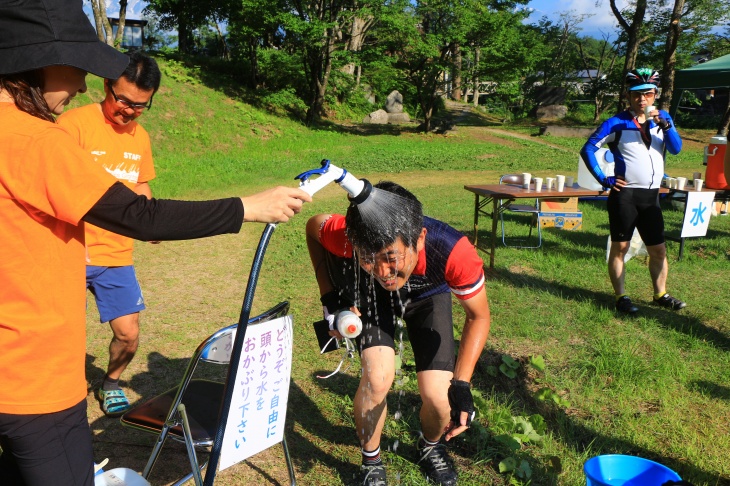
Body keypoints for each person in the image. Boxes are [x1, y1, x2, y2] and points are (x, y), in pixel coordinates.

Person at [0, 0, 311, 484]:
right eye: (79, 68)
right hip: (31, 378)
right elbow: (140, 215)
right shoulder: (37, 140)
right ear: (37, 58)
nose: (83, 84)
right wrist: (247, 207)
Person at [305, 181, 491, 486]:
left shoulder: (454, 251)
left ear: (419, 239)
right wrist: (329, 296)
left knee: (438, 396)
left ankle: (430, 446)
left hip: (428, 298)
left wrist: (461, 383)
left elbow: (479, 316)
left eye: (391, 258)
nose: (382, 272)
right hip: (373, 301)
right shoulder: (350, 235)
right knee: (377, 380)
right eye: (368, 259)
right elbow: (314, 228)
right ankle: (371, 459)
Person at [57, 51, 162, 417]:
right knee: (59, 334)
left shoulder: (141, 137)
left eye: (139, 106)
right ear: (106, 85)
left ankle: (112, 382)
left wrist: (151, 222)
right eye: (122, 100)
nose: (128, 111)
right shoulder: (72, 125)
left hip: (115, 254)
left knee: (129, 334)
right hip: (67, 249)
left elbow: (141, 184)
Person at [580, 68, 686, 315]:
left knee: (658, 249)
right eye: (637, 94)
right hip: (625, 195)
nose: (642, 100)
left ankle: (661, 294)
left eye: (648, 94)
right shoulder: (616, 122)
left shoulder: (663, 119)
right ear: (628, 96)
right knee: (621, 248)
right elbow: (588, 148)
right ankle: (621, 296)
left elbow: (677, 149)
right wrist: (604, 179)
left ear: (655, 95)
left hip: (651, 197)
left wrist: (667, 126)